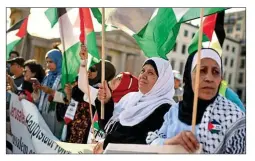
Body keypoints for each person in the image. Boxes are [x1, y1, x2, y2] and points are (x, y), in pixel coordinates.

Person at [146, 48, 245, 154]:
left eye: (216, 72)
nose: (209, 78)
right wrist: (171, 142)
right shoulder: (174, 111)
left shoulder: (234, 117)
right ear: (188, 76)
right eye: (202, 70)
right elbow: (153, 141)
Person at [93, 57, 176, 153]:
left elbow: (140, 138)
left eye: (150, 73)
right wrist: (106, 102)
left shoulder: (166, 109)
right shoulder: (131, 98)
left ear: (162, 80)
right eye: (142, 71)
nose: (143, 76)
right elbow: (108, 128)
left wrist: (107, 142)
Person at [62, 44, 116, 143]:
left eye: (93, 69)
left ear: (103, 73)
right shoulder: (92, 84)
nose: (89, 71)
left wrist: (83, 63)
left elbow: (80, 88)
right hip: (75, 127)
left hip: (85, 133)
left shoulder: (102, 92)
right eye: (90, 68)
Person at [32, 49, 66, 139]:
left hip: (56, 117)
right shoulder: (48, 76)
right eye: (47, 62)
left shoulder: (65, 78)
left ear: (58, 61)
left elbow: (66, 99)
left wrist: (51, 92)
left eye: (51, 62)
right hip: (43, 114)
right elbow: (40, 98)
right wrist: (36, 90)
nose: (48, 65)